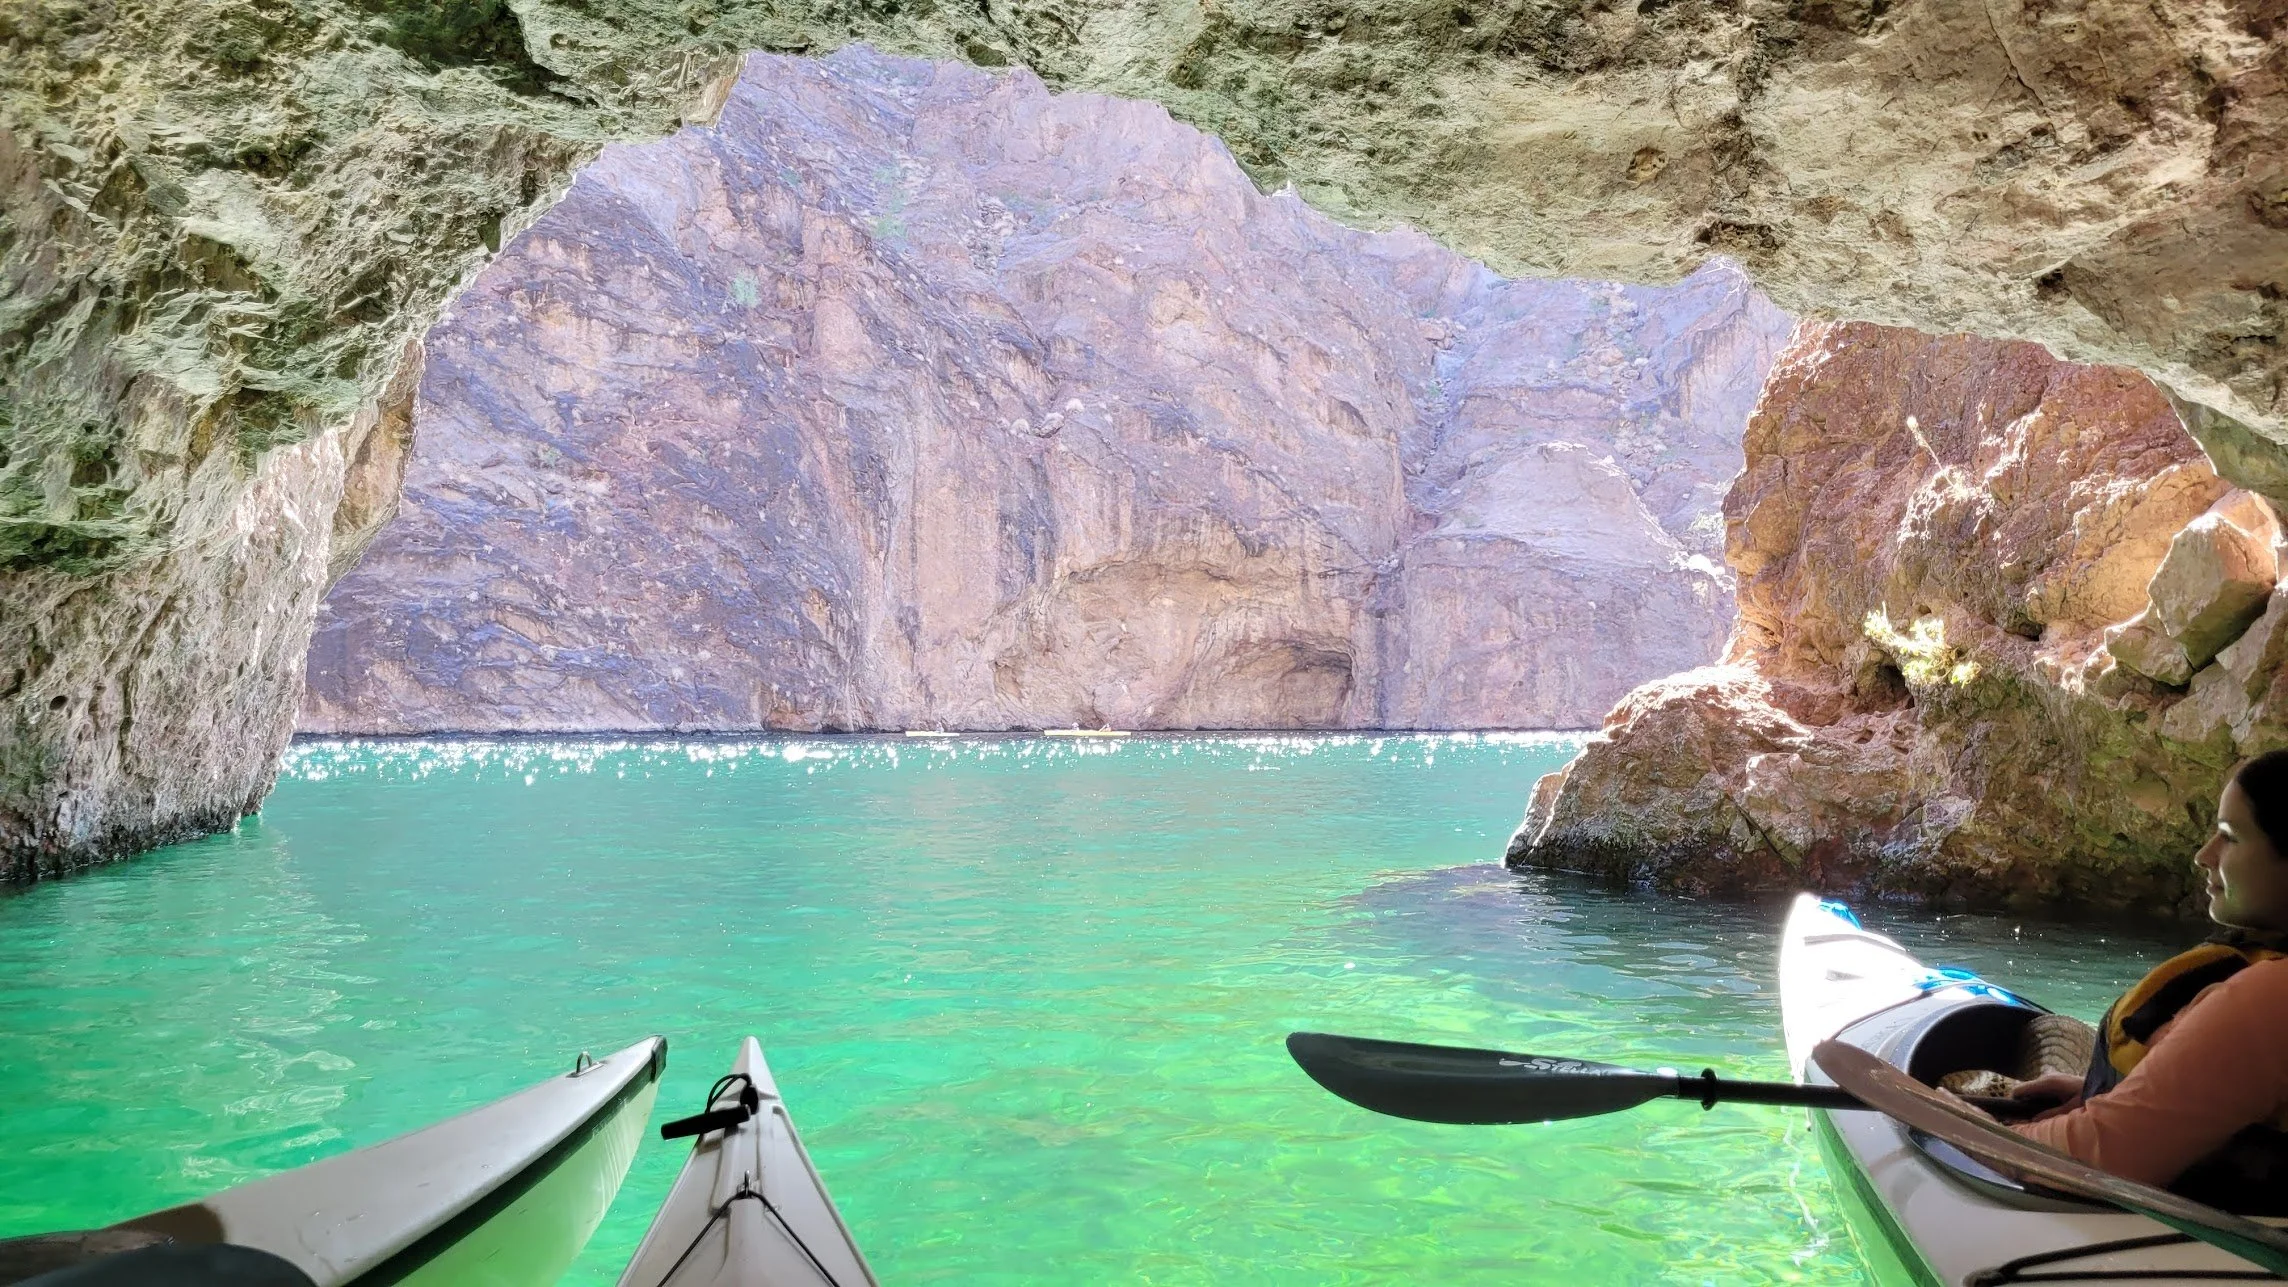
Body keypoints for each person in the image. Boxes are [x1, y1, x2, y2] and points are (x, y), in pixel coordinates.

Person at [1999, 750, 2288, 1212]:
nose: (2203, 855)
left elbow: (2101, 1157)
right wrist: (2110, 1091)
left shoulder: (2271, 997)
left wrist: (1962, 1127)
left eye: (2230, 837)